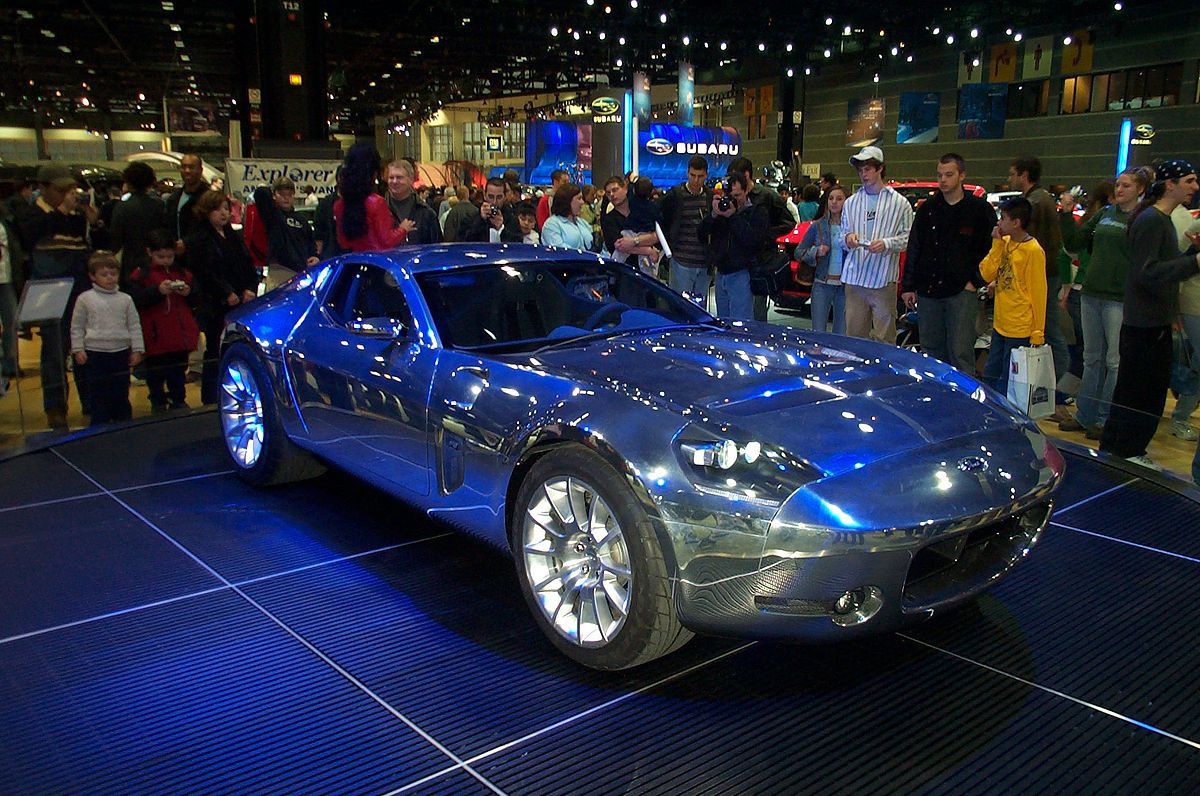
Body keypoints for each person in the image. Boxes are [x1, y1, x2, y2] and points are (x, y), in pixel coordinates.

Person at [1100, 160, 1200, 469]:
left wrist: (1190, 255)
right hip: (1145, 323)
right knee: (1142, 392)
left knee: (1138, 389)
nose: (1195, 187)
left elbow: (1159, 267)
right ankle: (1127, 449)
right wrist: (1194, 262)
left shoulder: (1158, 220)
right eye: (1189, 180)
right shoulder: (1152, 221)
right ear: (1170, 184)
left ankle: (1119, 448)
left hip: (1151, 320)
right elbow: (1148, 273)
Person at [1057, 168, 1150, 438]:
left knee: (1114, 361)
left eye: (1126, 186)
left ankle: (1104, 417)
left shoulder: (1143, 218)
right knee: (1092, 359)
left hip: (1119, 298)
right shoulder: (1105, 214)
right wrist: (1066, 215)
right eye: (1118, 185)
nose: (1119, 190)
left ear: (1141, 189)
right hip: (1092, 292)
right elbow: (1075, 242)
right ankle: (1085, 415)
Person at [18, 163, 97, 429]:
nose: (67, 195)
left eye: (70, 189)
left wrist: (91, 220)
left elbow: (85, 245)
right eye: (61, 190)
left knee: (84, 347)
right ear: (43, 188)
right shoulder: (31, 214)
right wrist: (61, 212)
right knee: (54, 350)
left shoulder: (75, 216)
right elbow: (31, 237)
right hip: (50, 290)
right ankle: (55, 407)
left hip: (79, 287)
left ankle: (91, 402)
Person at [901, 153, 995, 373]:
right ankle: (936, 391)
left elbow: (992, 249)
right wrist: (908, 286)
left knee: (960, 351)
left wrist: (976, 280)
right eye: (940, 175)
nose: (943, 180)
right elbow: (915, 246)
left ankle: (963, 394)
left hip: (961, 291)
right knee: (931, 350)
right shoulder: (928, 209)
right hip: (929, 290)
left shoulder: (979, 210)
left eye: (949, 174)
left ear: (962, 176)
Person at [185, 190, 260, 405]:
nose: (223, 213)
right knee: (215, 348)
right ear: (207, 212)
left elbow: (247, 264)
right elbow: (204, 272)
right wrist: (226, 292)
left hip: (239, 299)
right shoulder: (199, 238)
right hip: (215, 302)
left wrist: (249, 288)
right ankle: (211, 397)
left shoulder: (233, 236)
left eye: (226, 209)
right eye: (217, 210)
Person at [1009, 155, 1069, 418]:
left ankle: (1058, 392)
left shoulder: (1034, 203)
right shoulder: (1041, 198)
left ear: (1024, 175)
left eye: (1013, 174)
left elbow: (1028, 243)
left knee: (1048, 333)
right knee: (1048, 331)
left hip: (1041, 276)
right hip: (1045, 273)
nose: (1010, 179)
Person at [840, 146, 914, 344]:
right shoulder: (851, 203)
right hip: (855, 279)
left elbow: (908, 239)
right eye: (860, 170)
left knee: (885, 337)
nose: (863, 174)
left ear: (880, 168)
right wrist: (848, 239)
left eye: (868, 169)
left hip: (883, 279)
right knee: (854, 337)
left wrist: (887, 244)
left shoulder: (900, 203)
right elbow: (842, 237)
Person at [979, 197, 1047, 398]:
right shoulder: (1005, 243)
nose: (999, 222)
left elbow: (1039, 293)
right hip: (1001, 322)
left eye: (1003, 218)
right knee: (991, 372)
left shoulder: (1033, 251)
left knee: (1010, 378)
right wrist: (997, 244)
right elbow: (986, 273)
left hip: (1020, 326)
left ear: (1016, 222)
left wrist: (1038, 332)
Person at [126, 229, 198, 413]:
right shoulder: (141, 275)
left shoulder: (182, 272)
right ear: (149, 252)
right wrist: (157, 291)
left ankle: (178, 399)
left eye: (170, 256)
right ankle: (157, 401)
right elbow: (135, 300)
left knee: (178, 370)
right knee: (155, 373)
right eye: (161, 256)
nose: (166, 260)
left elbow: (198, 297)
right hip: (155, 335)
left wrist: (189, 292)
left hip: (180, 335)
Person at [69, 251, 143, 425]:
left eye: (113, 274)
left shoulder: (126, 299)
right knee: (98, 394)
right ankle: (99, 427)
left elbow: (134, 325)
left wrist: (138, 349)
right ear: (92, 276)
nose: (110, 278)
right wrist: (78, 349)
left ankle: (123, 425)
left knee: (121, 392)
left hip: (120, 353)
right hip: (95, 354)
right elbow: (77, 326)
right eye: (104, 274)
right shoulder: (85, 299)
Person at [726, 156, 792, 321]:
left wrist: (764, 234)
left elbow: (789, 223)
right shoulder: (731, 195)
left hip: (758, 262)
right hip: (734, 261)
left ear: (746, 175)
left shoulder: (767, 196)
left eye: (736, 177)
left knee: (756, 312)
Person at [699, 171, 765, 320]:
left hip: (741, 273)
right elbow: (701, 234)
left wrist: (733, 216)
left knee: (740, 323)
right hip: (721, 272)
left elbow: (753, 241)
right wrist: (713, 215)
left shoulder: (757, 211)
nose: (733, 200)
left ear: (746, 191)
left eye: (737, 195)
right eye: (730, 196)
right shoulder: (721, 211)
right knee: (723, 321)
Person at [334, 144, 412, 253]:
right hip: (378, 260)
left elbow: (343, 242)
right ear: (373, 173)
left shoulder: (339, 205)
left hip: (354, 259)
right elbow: (387, 240)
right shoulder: (376, 202)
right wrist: (403, 229)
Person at [658, 156, 713, 308]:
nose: (696, 180)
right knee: (680, 307)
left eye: (700, 176)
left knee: (700, 309)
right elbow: (659, 219)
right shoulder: (675, 195)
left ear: (706, 175)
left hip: (703, 263)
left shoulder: (709, 197)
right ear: (687, 173)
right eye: (692, 175)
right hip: (681, 261)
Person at [797, 184, 849, 334]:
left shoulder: (852, 227)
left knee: (841, 333)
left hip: (845, 286)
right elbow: (799, 252)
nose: (834, 202)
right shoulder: (818, 226)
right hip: (821, 283)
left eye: (839, 199)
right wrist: (816, 252)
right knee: (818, 332)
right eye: (831, 198)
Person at [252, 176, 319, 289]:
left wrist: (315, 256)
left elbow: (311, 243)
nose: (286, 198)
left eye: (290, 195)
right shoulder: (272, 215)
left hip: (301, 272)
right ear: (274, 196)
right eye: (282, 194)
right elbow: (260, 193)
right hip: (279, 272)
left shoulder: (302, 220)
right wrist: (271, 190)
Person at [109, 162, 166, 286]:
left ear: (128, 182)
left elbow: (115, 239)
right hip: (155, 259)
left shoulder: (122, 207)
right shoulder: (159, 205)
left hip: (131, 260)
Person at [384, 159, 441, 244]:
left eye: (399, 177)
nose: (394, 181)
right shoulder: (379, 210)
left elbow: (437, 246)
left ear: (411, 179)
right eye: (391, 178)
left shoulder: (426, 213)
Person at [165, 153, 210, 254]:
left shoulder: (210, 197)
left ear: (200, 170)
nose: (187, 171)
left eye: (191, 167)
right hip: (177, 255)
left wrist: (187, 242)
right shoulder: (173, 199)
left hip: (203, 254)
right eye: (183, 167)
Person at [458, 177, 523, 243]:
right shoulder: (470, 218)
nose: (494, 202)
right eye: (491, 197)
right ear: (484, 195)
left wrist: (501, 229)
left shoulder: (512, 220)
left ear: (504, 197)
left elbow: (517, 245)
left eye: (499, 197)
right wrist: (480, 220)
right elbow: (464, 242)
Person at [540, 185, 594, 249]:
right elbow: (559, 250)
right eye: (579, 198)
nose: (582, 202)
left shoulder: (581, 222)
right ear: (567, 201)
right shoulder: (552, 224)